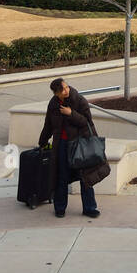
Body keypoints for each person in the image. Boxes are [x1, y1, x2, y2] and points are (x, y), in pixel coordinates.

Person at [38, 78, 101, 219]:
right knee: (61, 177)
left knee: (85, 176)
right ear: (56, 93)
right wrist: (42, 141)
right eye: (62, 90)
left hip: (79, 145)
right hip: (61, 145)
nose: (66, 91)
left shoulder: (79, 100)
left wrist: (71, 113)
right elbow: (48, 125)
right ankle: (60, 208)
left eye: (66, 87)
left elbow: (87, 122)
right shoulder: (53, 104)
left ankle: (90, 208)